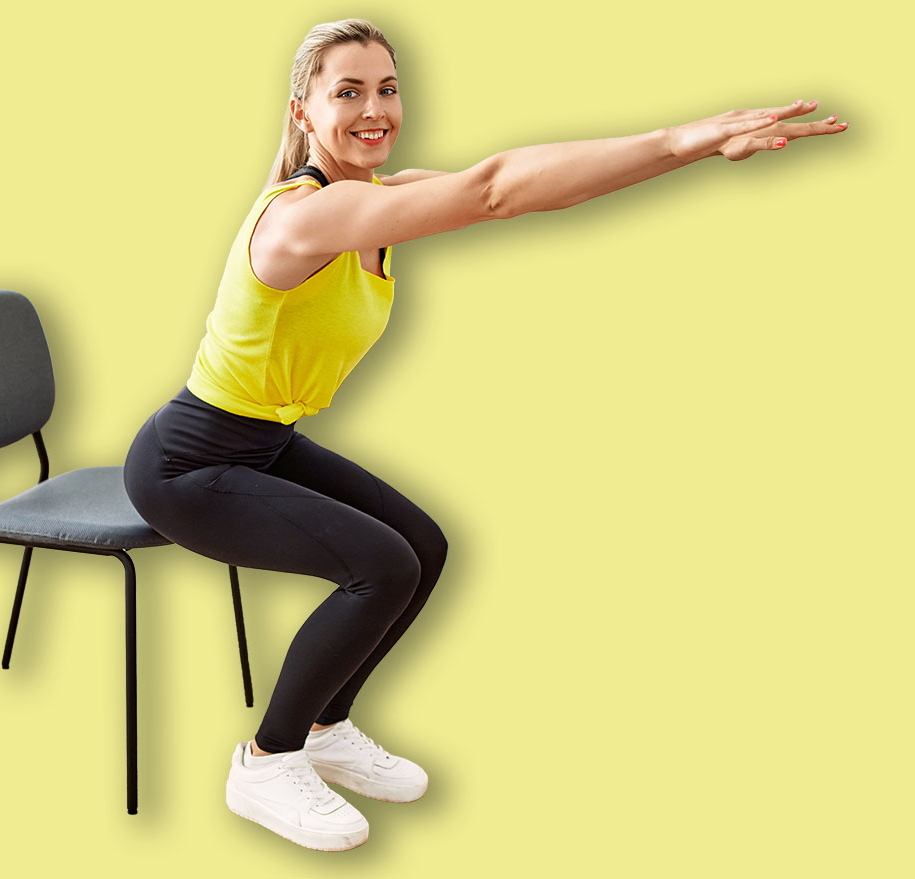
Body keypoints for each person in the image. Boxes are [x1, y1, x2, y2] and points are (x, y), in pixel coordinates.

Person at [123, 18, 846, 852]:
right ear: (302, 112)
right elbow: (495, 187)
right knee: (380, 564)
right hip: (188, 462)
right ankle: (267, 757)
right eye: (347, 91)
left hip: (260, 440)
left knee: (422, 546)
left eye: (386, 89)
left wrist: (686, 149)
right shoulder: (304, 219)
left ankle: (325, 727)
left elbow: (528, 189)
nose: (374, 108)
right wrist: (683, 137)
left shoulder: (378, 204)